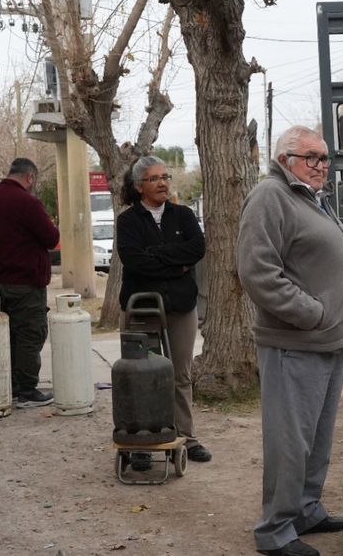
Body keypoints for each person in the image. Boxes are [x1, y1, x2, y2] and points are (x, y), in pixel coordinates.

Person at [237, 126, 343, 556]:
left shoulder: (310, 198)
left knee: (318, 438)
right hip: (296, 341)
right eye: (311, 157)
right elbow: (258, 272)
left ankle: (305, 509)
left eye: (325, 158)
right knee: (289, 441)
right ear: (284, 158)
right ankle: (275, 531)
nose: (321, 166)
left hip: (327, 341)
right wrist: (312, 314)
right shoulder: (270, 196)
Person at [115, 155, 211, 463]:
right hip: (142, 310)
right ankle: (142, 442)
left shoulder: (182, 215)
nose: (162, 183)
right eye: (155, 178)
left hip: (181, 307)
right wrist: (174, 263)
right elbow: (134, 261)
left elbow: (197, 248)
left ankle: (186, 437)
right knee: (142, 375)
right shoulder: (128, 220)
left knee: (180, 375)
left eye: (165, 177)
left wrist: (156, 257)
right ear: (140, 185)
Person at [0, 158, 60, 408]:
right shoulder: (27, 202)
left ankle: (12, 385)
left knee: (8, 336)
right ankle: (27, 390)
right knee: (30, 334)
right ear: (30, 177)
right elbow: (51, 237)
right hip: (26, 282)